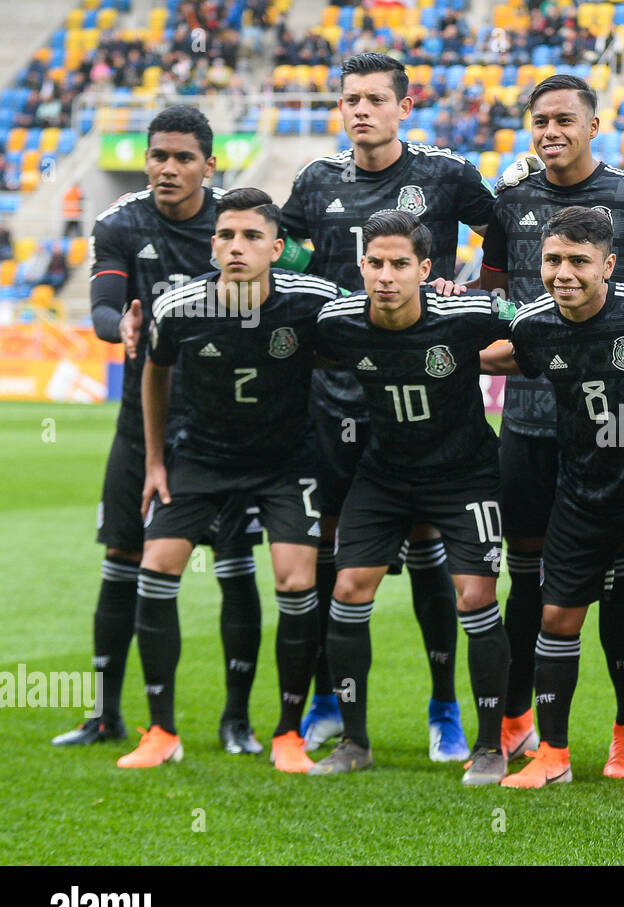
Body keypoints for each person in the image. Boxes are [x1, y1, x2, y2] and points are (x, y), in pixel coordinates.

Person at [281, 52, 496, 762]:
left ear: (405, 106)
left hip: (428, 392)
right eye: (351, 99)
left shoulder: (446, 174)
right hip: (340, 392)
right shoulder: (317, 180)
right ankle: (327, 703)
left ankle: (444, 709)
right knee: (331, 554)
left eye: (376, 98)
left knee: (431, 545)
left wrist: (472, 287)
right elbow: (287, 261)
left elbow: (505, 229)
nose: (362, 109)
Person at [482, 73, 624, 779]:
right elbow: (491, 296)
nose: (550, 132)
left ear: (594, 124)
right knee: (536, 581)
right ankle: (523, 726)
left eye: (564, 120)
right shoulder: (509, 200)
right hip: (534, 422)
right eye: (538, 120)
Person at [54, 105, 264, 754]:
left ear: (210, 163)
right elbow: (104, 305)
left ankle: (236, 721)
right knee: (121, 556)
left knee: (233, 563)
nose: (167, 169)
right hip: (141, 422)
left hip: (220, 423)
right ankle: (106, 714)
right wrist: (119, 325)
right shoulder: (120, 222)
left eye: (182, 158)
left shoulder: (235, 220)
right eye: (157, 157)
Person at [119, 189, 340, 772]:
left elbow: (366, 336)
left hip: (286, 461)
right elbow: (154, 373)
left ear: (277, 247)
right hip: (202, 458)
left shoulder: (312, 301)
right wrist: (156, 462)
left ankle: (288, 734)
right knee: (157, 565)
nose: (236, 247)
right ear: (212, 243)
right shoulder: (180, 307)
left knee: (295, 582)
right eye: (225, 235)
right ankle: (161, 731)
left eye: (249, 237)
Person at [312, 210, 513, 781]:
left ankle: (490, 746)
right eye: (375, 263)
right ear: (361, 266)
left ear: (425, 269)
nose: (385, 275)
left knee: (475, 595)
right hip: (386, 474)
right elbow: (305, 350)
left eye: (401, 264)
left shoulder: (466, 314)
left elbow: (534, 328)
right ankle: (354, 742)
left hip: (464, 472)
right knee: (348, 587)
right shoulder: (340, 320)